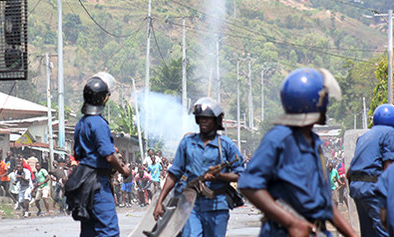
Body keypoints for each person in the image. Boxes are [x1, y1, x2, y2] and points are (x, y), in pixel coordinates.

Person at [238, 68, 357, 237]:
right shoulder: (279, 138)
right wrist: (291, 222)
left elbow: (326, 203)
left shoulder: (314, 142)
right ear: (313, 103)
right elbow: (248, 185)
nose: (326, 107)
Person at [153, 97, 244, 237]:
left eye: (208, 118)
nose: (203, 121)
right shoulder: (187, 143)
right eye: (201, 118)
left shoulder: (226, 145)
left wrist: (219, 176)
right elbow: (173, 174)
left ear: (216, 120)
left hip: (217, 205)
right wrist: (160, 202)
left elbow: (240, 174)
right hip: (190, 206)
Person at [67, 72, 131, 237]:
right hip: (97, 183)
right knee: (108, 230)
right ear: (104, 98)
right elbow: (109, 156)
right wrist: (124, 171)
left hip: (83, 182)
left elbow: (79, 153)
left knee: (89, 231)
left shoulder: (82, 123)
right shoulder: (99, 123)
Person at [348, 103, 394, 236]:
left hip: (357, 189)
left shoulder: (364, 137)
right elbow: (388, 167)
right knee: (384, 231)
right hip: (372, 188)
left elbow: (349, 173)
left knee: (368, 233)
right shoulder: (390, 133)